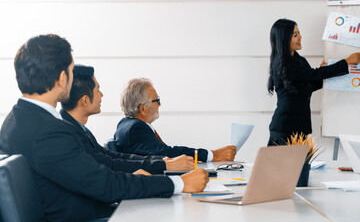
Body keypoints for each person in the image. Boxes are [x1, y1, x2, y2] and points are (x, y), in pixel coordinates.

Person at [0, 34, 208, 222]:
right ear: (62, 78)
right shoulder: (48, 131)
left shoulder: (15, 121)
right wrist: (179, 184)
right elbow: (104, 185)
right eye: (71, 71)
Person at [60, 64, 194, 174]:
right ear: (84, 100)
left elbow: (114, 157)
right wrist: (165, 165)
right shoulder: (69, 133)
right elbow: (111, 164)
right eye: (98, 90)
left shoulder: (79, 128)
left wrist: (165, 162)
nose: (102, 95)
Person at [267, 19, 360, 146]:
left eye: (299, 32)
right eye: (295, 35)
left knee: (301, 165)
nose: (300, 37)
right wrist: (346, 62)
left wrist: (324, 74)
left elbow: (309, 85)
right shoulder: (283, 64)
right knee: (286, 166)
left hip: (299, 126)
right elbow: (315, 74)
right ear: (284, 39)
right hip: (285, 128)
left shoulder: (299, 60)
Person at [113, 78, 237, 162]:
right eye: (157, 100)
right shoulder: (136, 128)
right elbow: (166, 153)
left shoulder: (125, 124)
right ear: (143, 109)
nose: (160, 105)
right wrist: (212, 155)